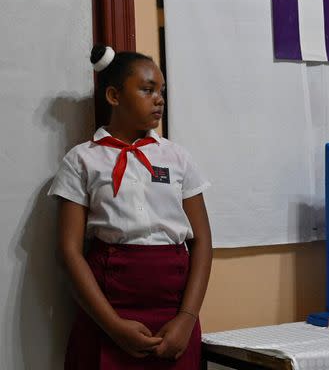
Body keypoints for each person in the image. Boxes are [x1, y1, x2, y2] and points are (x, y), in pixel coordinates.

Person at [50, 45, 212, 369]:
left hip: (174, 312)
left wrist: (187, 319)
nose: (159, 99)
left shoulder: (178, 158)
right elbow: (69, 252)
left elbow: (203, 243)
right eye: (147, 89)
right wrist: (112, 325)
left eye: (161, 91)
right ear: (114, 96)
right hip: (107, 312)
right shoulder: (82, 160)